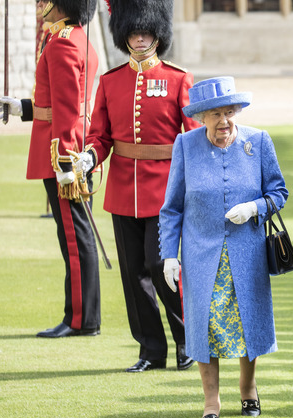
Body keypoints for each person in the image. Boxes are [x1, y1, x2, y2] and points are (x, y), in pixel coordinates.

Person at [72, 0, 198, 373]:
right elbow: (100, 136)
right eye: (133, 31)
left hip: (166, 193)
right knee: (133, 276)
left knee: (161, 268)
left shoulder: (178, 79)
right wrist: (88, 157)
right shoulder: (111, 82)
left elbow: (191, 139)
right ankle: (150, 350)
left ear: (158, 33)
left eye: (145, 31)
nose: (139, 37)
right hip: (124, 190)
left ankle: (186, 340)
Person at [159, 76, 288, 418]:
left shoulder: (258, 141)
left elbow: (279, 192)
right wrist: (170, 255)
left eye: (229, 112)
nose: (224, 121)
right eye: (215, 114)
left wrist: (254, 208)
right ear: (201, 118)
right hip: (202, 256)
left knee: (248, 323)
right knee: (206, 326)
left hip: (247, 254)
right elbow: (171, 208)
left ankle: (248, 388)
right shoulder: (185, 145)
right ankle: (211, 400)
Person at [0, 0, 100, 338]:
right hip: (73, 148)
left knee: (73, 236)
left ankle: (81, 319)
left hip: (62, 155)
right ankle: (82, 316)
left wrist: (65, 162)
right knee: (76, 234)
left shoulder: (63, 43)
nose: (40, 4)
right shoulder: (76, 37)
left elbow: (67, 110)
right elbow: (57, 102)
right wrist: (22, 106)